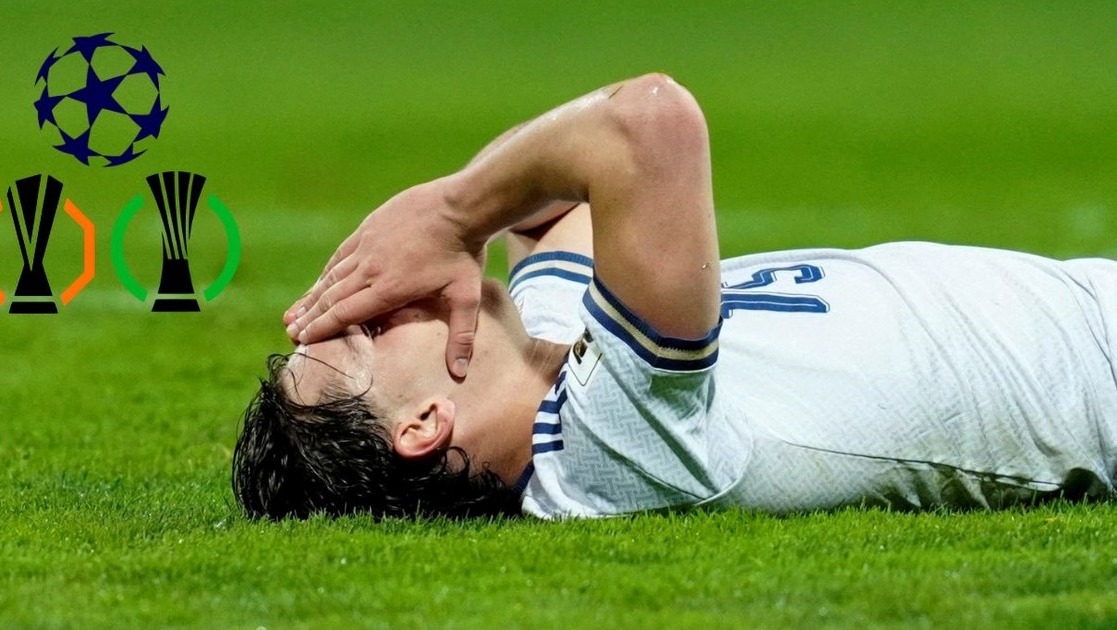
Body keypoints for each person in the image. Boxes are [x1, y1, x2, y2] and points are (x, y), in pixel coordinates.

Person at [232, 73, 1117, 520]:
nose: (387, 295)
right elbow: (646, 123)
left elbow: (555, 205)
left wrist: (475, 215)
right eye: (367, 329)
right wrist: (454, 210)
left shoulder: (554, 348)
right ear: (424, 425)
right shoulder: (608, 451)